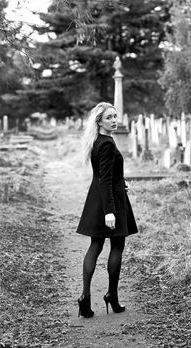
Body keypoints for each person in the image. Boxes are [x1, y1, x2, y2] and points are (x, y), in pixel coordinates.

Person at [76, 101, 138, 318]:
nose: (114, 121)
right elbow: (105, 180)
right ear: (99, 121)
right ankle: (112, 295)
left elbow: (106, 175)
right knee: (117, 246)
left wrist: (122, 182)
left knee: (96, 244)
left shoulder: (97, 141)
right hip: (109, 201)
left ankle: (85, 298)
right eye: (109, 117)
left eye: (115, 116)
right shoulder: (107, 144)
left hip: (99, 197)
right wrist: (109, 211)